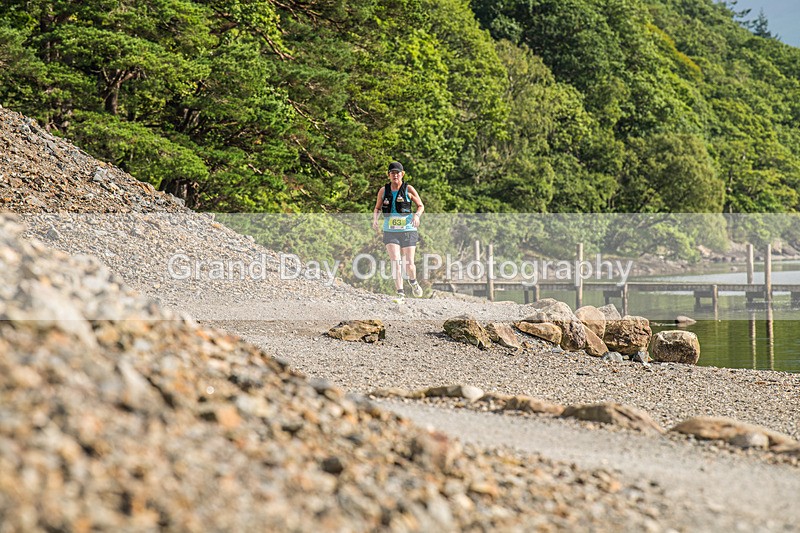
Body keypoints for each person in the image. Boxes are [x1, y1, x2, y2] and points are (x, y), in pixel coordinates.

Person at [372, 161, 424, 301]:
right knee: (395, 260)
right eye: (392, 173)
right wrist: (375, 220)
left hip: (408, 229)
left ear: (402, 174)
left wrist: (417, 216)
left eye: (397, 173)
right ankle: (400, 292)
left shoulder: (409, 189)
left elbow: (420, 205)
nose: (395, 175)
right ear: (388, 175)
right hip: (390, 230)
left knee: (409, 264)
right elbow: (377, 208)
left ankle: (413, 282)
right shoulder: (383, 191)